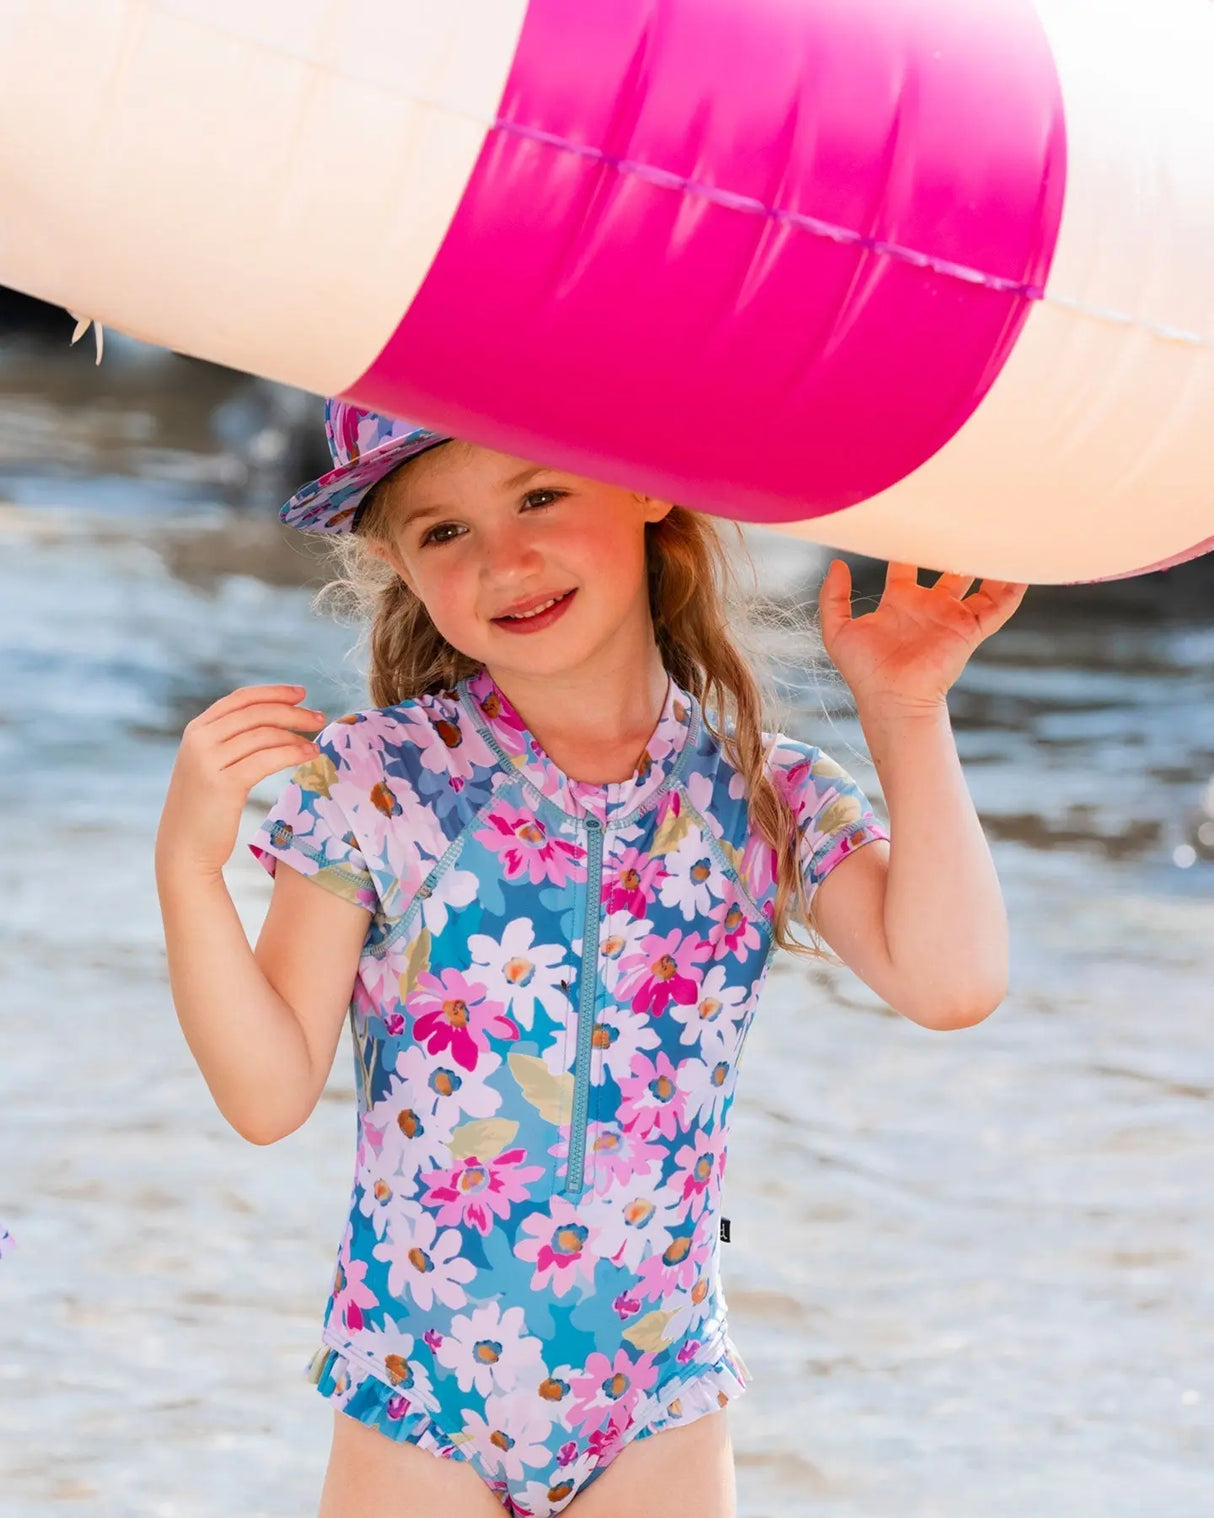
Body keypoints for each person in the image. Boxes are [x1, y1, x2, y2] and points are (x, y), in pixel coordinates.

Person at [155, 399, 1026, 1518]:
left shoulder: (761, 791)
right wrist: (189, 867)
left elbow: (951, 982)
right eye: (443, 532)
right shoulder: (383, 782)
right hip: (423, 1391)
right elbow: (267, 1093)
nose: (505, 560)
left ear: (646, 487)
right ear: (396, 565)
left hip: (658, 1397)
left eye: (539, 495)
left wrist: (903, 705)